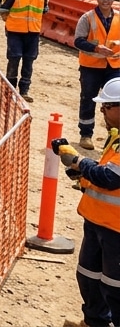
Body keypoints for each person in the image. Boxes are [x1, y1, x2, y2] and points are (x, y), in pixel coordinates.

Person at [56, 78, 120, 327]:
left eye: (107, 107)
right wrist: (82, 176)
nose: (101, 111)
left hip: (116, 231)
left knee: (115, 289)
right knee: (89, 278)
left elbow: (110, 177)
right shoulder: (115, 137)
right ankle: (93, 323)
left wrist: (79, 161)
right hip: (97, 223)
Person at [76, 0, 120, 150]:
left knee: (115, 102)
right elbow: (78, 40)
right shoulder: (87, 18)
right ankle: (86, 134)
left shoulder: (119, 18)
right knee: (88, 98)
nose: (105, 0)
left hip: (114, 66)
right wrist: (96, 48)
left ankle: (114, 136)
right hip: (91, 66)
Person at [0, 0, 48, 102]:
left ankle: (24, 91)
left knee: (29, 61)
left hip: (33, 33)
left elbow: (44, 10)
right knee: (14, 58)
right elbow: (3, 10)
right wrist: (10, 23)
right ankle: (10, 89)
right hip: (15, 32)